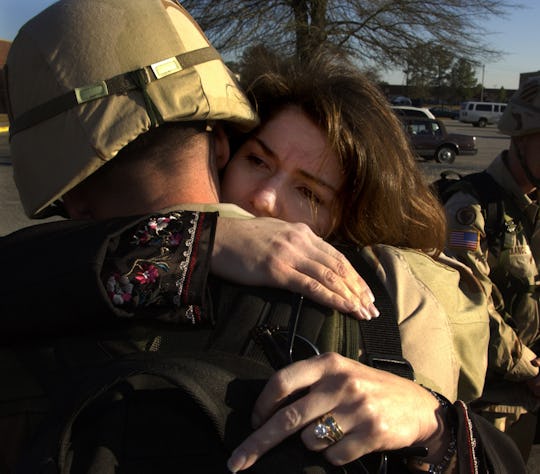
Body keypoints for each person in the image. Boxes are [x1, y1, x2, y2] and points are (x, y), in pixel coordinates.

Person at [0, 0, 520, 472]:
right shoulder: (49, 271)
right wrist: (188, 243)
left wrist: (435, 427)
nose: (267, 202)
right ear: (224, 147)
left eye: (311, 194)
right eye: (258, 160)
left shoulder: (388, 294)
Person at [444, 77, 540, 461]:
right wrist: (531, 370)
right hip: (488, 403)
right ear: (520, 139)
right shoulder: (472, 208)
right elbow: (471, 305)